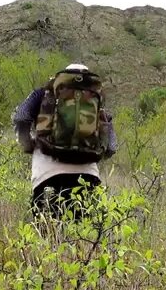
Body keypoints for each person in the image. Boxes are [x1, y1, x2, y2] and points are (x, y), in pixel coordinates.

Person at [12, 63, 117, 219]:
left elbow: (21, 117)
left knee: (47, 237)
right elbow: (111, 147)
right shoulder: (97, 102)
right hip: (88, 177)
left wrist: (29, 146)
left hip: (46, 176)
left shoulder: (43, 94)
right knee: (84, 238)